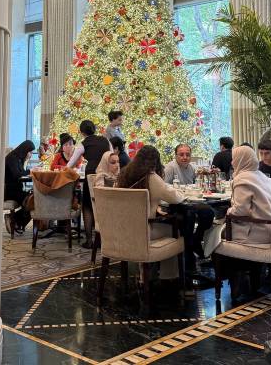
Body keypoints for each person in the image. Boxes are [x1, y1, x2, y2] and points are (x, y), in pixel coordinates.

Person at [118, 145, 184, 280]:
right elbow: (175, 198)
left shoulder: (124, 174)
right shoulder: (152, 178)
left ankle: (146, 273)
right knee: (176, 231)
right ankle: (169, 276)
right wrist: (181, 192)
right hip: (144, 230)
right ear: (156, 161)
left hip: (122, 229)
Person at [66, 120, 112, 248]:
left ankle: (89, 241)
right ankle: (104, 241)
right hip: (105, 175)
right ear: (94, 129)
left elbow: (70, 165)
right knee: (103, 206)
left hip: (91, 174)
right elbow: (111, 156)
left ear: (82, 132)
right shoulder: (106, 140)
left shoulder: (83, 144)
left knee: (87, 206)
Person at [227, 146, 271, 244]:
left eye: (233, 159)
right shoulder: (266, 178)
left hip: (257, 232)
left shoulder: (242, 179)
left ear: (240, 160)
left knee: (214, 232)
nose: (232, 163)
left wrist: (228, 211)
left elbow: (240, 211)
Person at [4, 140, 36, 231]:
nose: (30, 155)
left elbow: (21, 172)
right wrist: (30, 171)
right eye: (30, 152)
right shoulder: (12, 158)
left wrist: (26, 163)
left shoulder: (19, 158)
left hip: (17, 189)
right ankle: (14, 220)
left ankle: (14, 220)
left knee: (35, 199)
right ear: (25, 150)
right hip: (10, 191)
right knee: (33, 201)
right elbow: (17, 174)